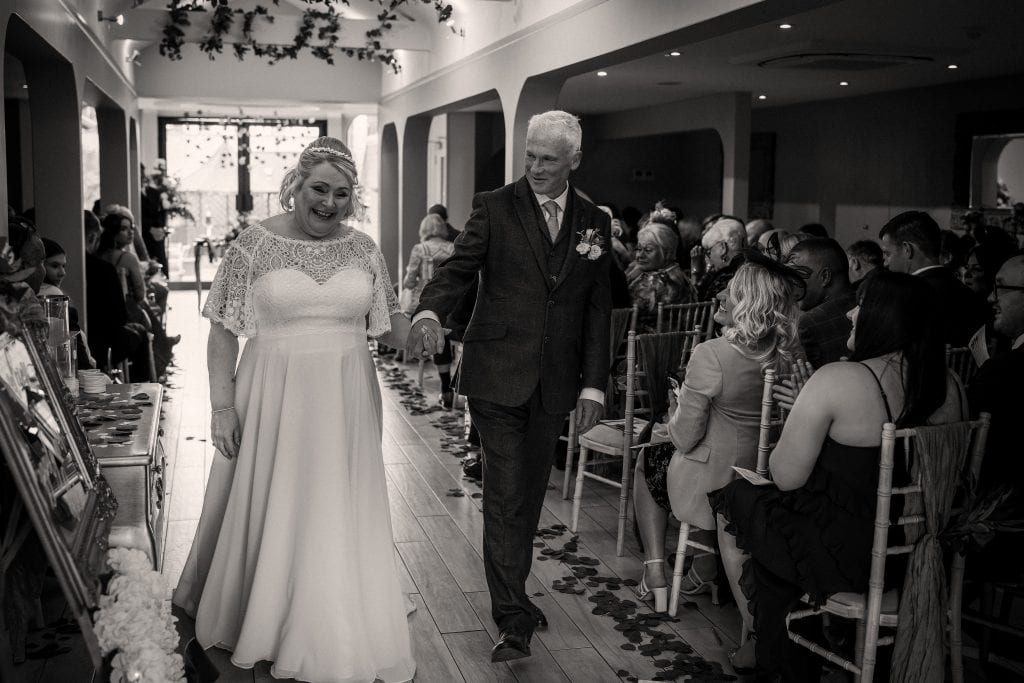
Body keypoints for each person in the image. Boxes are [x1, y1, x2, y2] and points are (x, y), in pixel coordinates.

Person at [172, 136, 416, 683]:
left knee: (335, 500)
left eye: (342, 194)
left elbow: (390, 322)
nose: (329, 203)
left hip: (347, 397)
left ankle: (337, 605)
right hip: (272, 395)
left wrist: (423, 327)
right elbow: (221, 334)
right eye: (319, 189)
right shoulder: (253, 244)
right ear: (296, 186)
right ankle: (266, 608)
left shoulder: (363, 249)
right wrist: (222, 408)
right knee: (279, 495)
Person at [407, 110, 611, 663]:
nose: (536, 167)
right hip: (496, 372)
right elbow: (459, 269)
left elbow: (597, 308)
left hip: (556, 383)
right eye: (530, 156)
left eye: (548, 159)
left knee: (528, 492)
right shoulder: (494, 206)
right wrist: (429, 312)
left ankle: (514, 593)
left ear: (573, 160)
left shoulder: (594, 221)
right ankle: (512, 616)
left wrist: (594, 387)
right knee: (503, 493)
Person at [710, 270, 965, 680]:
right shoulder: (950, 384)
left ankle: (767, 639)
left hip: (851, 558)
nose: (850, 314)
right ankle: (806, 636)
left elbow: (785, 476)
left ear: (883, 319)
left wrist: (803, 412)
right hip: (923, 551)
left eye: (861, 305)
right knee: (774, 514)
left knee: (739, 498)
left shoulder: (839, 379)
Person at [633, 253, 803, 612]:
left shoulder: (712, 353)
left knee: (650, 455)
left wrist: (676, 407)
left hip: (716, 484)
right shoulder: (790, 355)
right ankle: (706, 566)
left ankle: (656, 572)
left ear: (748, 303)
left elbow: (685, 438)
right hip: (769, 477)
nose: (720, 296)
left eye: (730, 291)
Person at [880, 210, 988, 345]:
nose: (884, 262)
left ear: (907, 249)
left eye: (887, 254)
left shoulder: (905, 297)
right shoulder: (969, 294)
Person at [403, 213, 457, 406]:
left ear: (423, 230)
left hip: (426, 307)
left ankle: (443, 387)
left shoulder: (420, 249)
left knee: (431, 325)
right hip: (454, 309)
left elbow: (409, 283)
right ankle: (447, 387)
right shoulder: (454, 248)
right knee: (444, 329)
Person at [787, 237, 858, 368]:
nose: (791, 285)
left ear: (825, 277)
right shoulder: (869, 304)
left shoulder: (810, 322)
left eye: (797, 276)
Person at [626, 220, 697, 331]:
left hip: (651, 344)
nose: (640, 255)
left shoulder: (659, 281)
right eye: (638, 249)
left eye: (648, 250)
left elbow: (623, 309)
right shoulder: (676, 273)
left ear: (667, 253)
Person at [696, 216, 746, 301]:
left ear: (722, 248)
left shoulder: (725, 278)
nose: (708, 258)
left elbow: (699, 306)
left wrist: (697, 273)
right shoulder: (752, 267)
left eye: (709, 251)